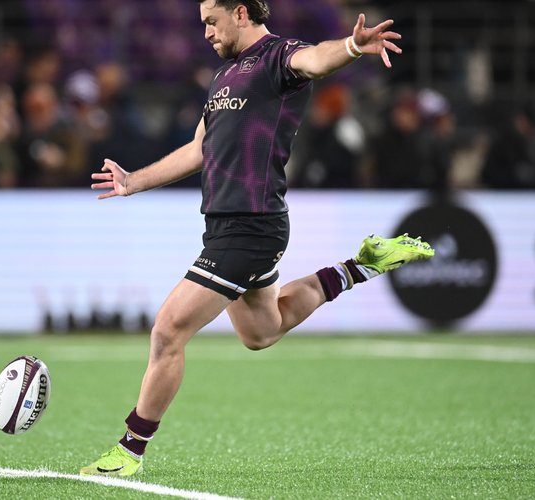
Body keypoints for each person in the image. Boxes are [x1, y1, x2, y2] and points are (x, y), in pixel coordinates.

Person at [81, 0, 434, 477]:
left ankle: (128, 451)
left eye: (211, 21)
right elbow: (198, 150)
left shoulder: (278, 57)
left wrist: (352, 46)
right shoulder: (223, 76)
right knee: (261, 332)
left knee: (168, 330)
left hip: (251, 225)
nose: (206, 32)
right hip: (227, 225)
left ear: (241, 13)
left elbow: (316, 59)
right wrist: (132, 182)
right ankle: (361, 266)